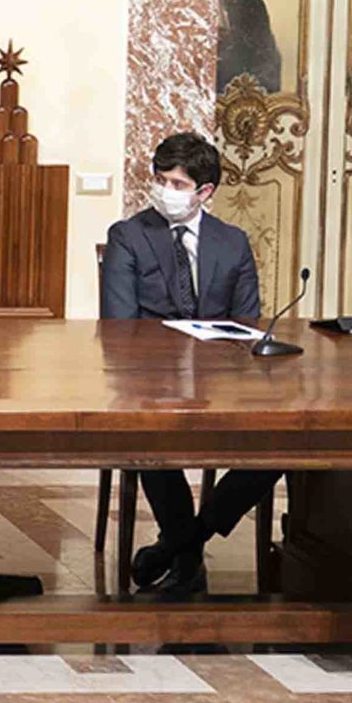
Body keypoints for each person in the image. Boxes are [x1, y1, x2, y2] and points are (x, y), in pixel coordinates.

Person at [99, 131, 268, 598]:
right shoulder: (129, 236)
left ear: (204, 191)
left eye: (177, 184)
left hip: (220, 383)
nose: (165, 191)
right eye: (160, 180)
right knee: (151, 434)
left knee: (284, 444)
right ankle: (187, 556)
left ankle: (184, 542)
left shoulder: (233, 243)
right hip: (149, 382)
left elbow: (246, 323)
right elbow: (119, 328)